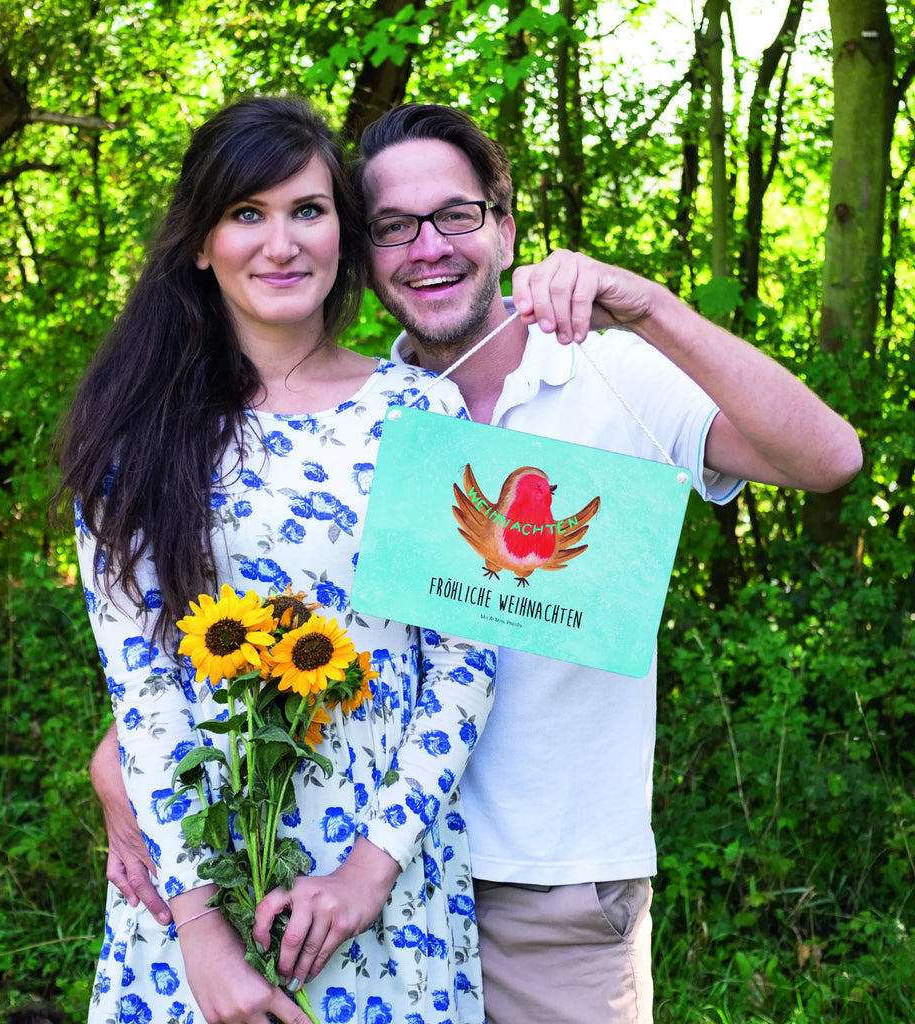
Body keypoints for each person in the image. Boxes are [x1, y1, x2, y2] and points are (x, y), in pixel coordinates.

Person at [92, 102, 863, 1023]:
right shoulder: (359, 415)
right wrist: (126, 768)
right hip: (317, 875)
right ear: (365, 251)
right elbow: (236, 628)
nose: (427, 247)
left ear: (503, 226)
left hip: (545, 887)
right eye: (393, 227)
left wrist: (651, 307)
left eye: (455, 215)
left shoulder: (600, 373)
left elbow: (829, 461)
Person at [56, 97, 499, 1024]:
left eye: (307, 210)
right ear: (199, 243)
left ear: (343, 228)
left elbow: (464, 662)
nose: (281, 242)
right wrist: (203, 937)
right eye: (246, 214)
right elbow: (143, 692)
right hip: (194, 887)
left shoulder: (422, 416)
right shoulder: (134, 438)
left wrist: (369, 872)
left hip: (383, 887)